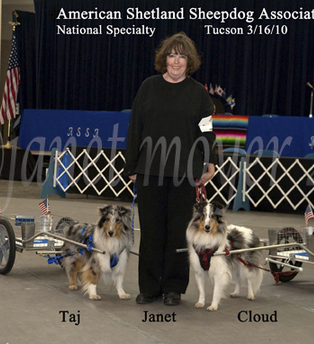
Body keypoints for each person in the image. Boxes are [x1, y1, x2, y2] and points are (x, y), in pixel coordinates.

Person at [124, 32, 216, 306]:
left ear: (190, 61)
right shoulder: (148, 87)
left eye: (182, 56)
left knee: (178, 232)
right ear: (164, 59)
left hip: (184, 173)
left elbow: (207, 132)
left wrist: (210, 161)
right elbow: (134, 129)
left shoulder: (199, 94)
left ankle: (174, 287)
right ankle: (150, 287)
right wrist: (132, 166)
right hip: (150, 171)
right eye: (172, 55)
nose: (177, 61)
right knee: (151, 231)